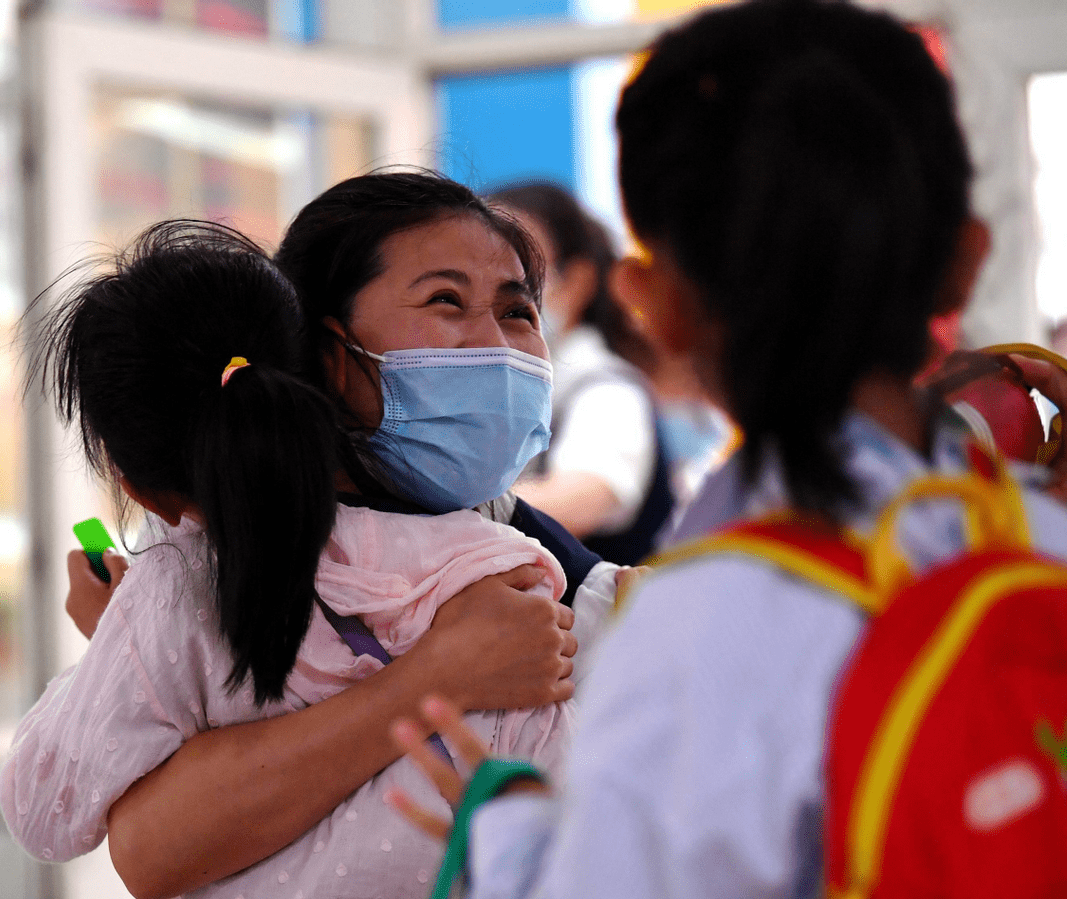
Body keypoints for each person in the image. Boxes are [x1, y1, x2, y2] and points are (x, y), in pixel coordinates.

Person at [386, 2, 1067, 896]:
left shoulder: (697, 631)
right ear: (965, 261)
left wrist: (507, 830)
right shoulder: (1041, 540)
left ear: (652, 302)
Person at [11, 173, 624, 899]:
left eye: (519, 310)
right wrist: (437, 674)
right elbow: (151, 847)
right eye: (446, 301)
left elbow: (70, 812)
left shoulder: (531, 553)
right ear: (326, 354)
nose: (497, 347)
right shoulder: (203, 563)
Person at [492, 183, 675, 565]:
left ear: (576, 283)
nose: (492, 296)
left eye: (518, 273)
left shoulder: (606, 389)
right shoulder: (496, 386)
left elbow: (585, 496)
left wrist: (448, 518)